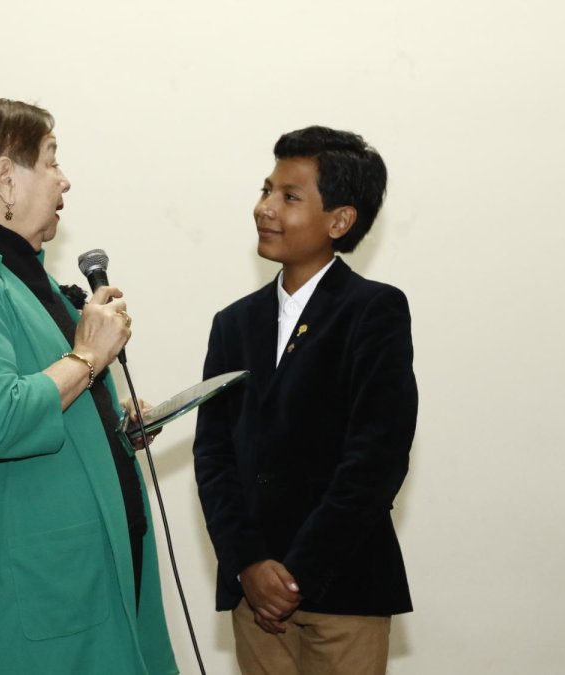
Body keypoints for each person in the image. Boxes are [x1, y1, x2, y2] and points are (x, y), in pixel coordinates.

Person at [0, 99, 177, 674]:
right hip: (21, 609)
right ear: (5, 179)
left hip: (80, 586)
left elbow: (43, 392)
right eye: (51, 161)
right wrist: (88, 356)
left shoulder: (18, 271)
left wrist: (108, 424)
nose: (64, 179)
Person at [192, 126, 418, 675]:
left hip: (344, 590)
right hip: (255, 597)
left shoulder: (374, 311)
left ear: (340, 221)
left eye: (289, 197)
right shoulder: (234, 322)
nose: (265, 208)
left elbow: (375, 460)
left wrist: (295, 577)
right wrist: (248, 564)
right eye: (266, 189)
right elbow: (213, 456)